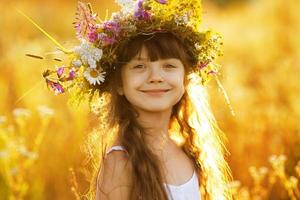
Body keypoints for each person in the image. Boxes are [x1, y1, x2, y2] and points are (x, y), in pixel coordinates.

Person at [36, 0, 233, 199]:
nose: (156, 77)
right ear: (119, 84)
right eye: (139, 66)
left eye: (169, 66)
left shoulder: (189, 151)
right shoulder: (121, 162)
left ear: (185, 78)